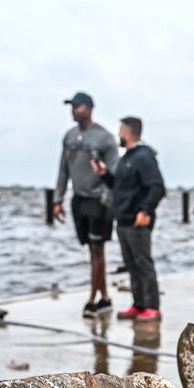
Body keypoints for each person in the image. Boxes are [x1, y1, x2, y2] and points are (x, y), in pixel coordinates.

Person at [92, 116, 166, 321]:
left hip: (138, 220)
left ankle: (152, 307)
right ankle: (139, 304)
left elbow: (157, 186)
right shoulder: (127, 158)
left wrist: (145, 210)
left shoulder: (144, 156)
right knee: (131, 265)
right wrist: (105, 174)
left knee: (143, 263)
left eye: (121, 130)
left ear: (129, 132)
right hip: (123, 219)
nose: (118, 134)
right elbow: (120, 186)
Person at [54, 91, 120, 316]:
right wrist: (57, 200)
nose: (74, 110)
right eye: (72, 106)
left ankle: (92, 300)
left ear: (90, 108)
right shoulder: (70, 137)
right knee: (92, 251)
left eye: (78, 106)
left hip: (99, 200)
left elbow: (115, 174)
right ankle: (105, 297)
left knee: (97, 249)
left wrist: (108, 200)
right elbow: (63, 169)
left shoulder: (105, 138)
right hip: (79, 199)